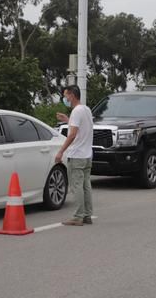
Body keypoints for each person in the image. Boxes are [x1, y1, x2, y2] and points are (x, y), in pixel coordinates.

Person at [55, 85, 94, 226]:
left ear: (72, 95)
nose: (65, 99)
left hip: (77, 155)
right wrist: (67, 120)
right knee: (85, 186)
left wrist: (61, 151)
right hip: (87, 154)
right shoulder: (86, 110)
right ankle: (87, 215)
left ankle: (78, 216)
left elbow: (72, 134)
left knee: (76, 186)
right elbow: (82, 127)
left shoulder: (76, 111)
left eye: (66, 96)